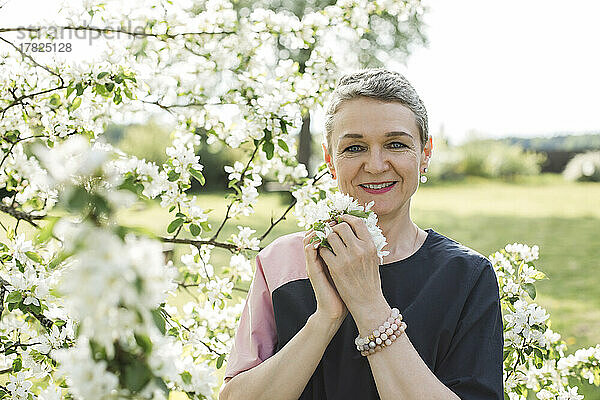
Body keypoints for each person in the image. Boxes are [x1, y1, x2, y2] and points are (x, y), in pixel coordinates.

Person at [219, 68, 503, 400]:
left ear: (425, 153)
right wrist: (325, 319)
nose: (376, 164)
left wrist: (369, 305)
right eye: (355, 148)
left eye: (395, 144)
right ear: (329, 159)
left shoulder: (466, 276)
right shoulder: (282, 263)